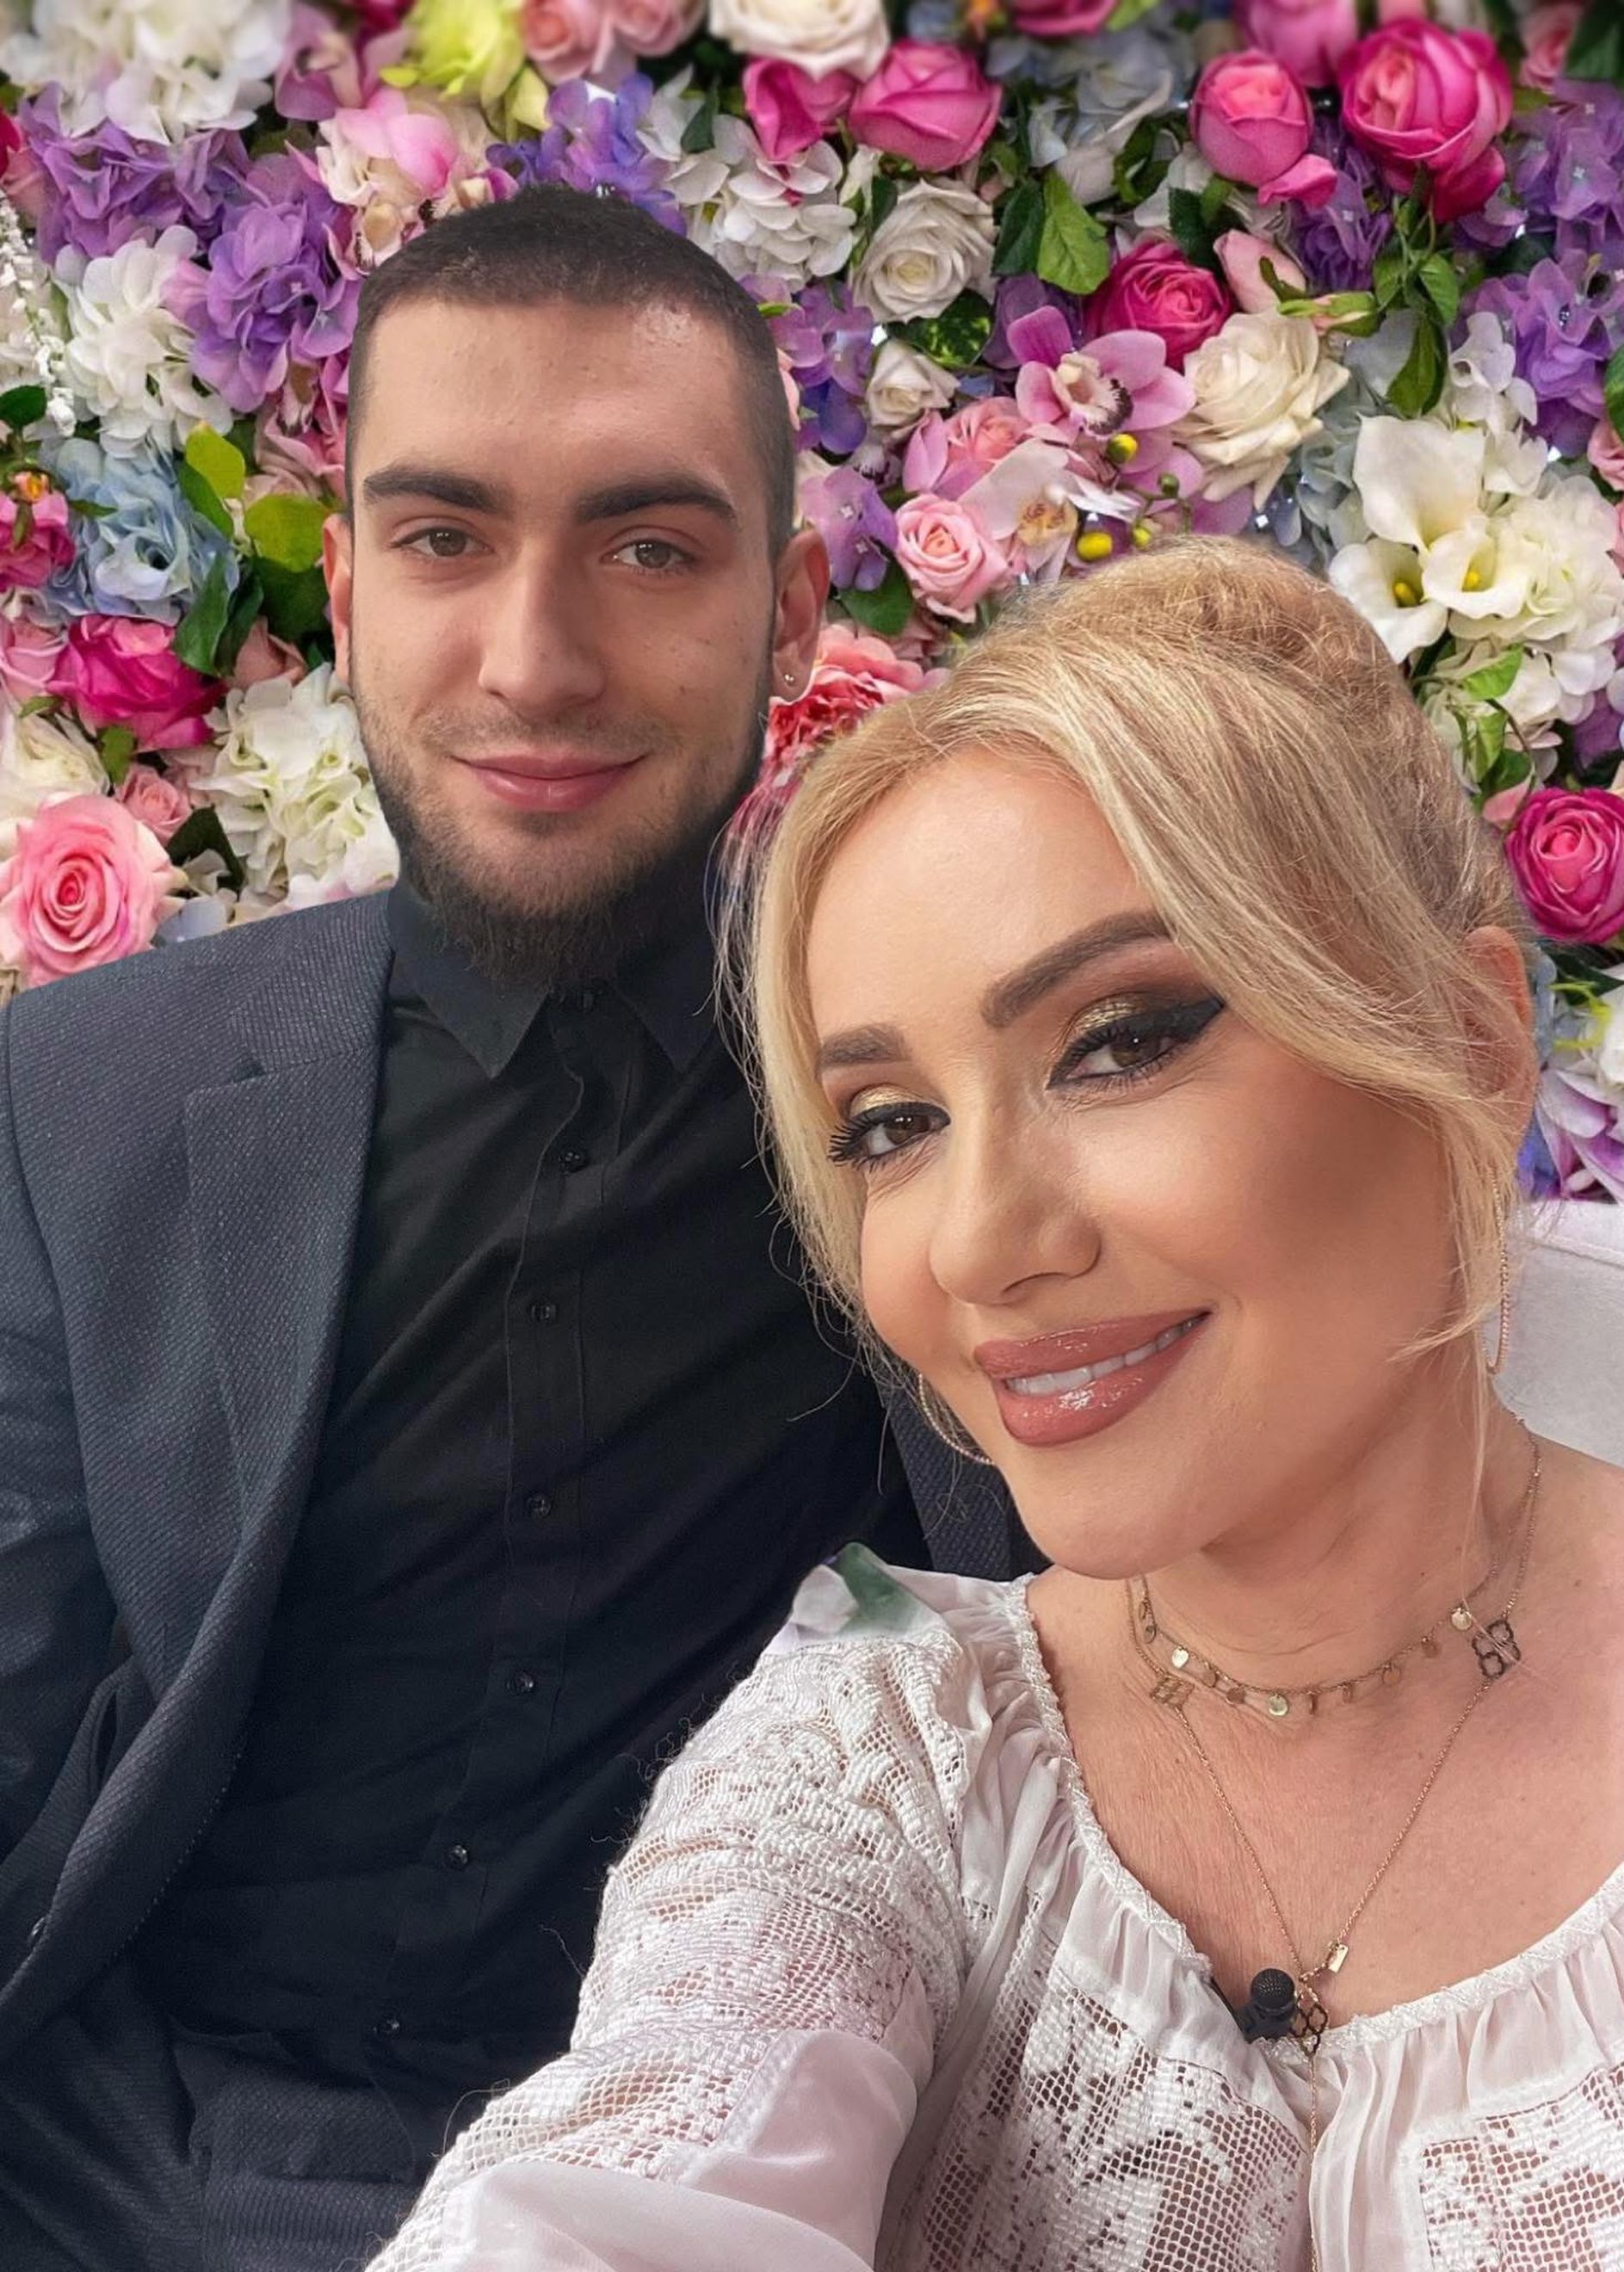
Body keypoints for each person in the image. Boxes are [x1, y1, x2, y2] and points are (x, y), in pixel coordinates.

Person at [374, 540, 1624, 2271]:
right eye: (890, 1126)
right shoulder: (880, 1748)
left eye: (1119, 1040)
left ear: (1467, 1040)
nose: (980, 1245)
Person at [0, 184, 1012, 2272]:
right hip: (91, 2150)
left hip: (666, 2184)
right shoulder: (77, 1099)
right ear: (348, 590)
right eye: (446, 539)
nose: (535, 662)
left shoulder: (923, 1106)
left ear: (792, 613)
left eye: (649, 550)